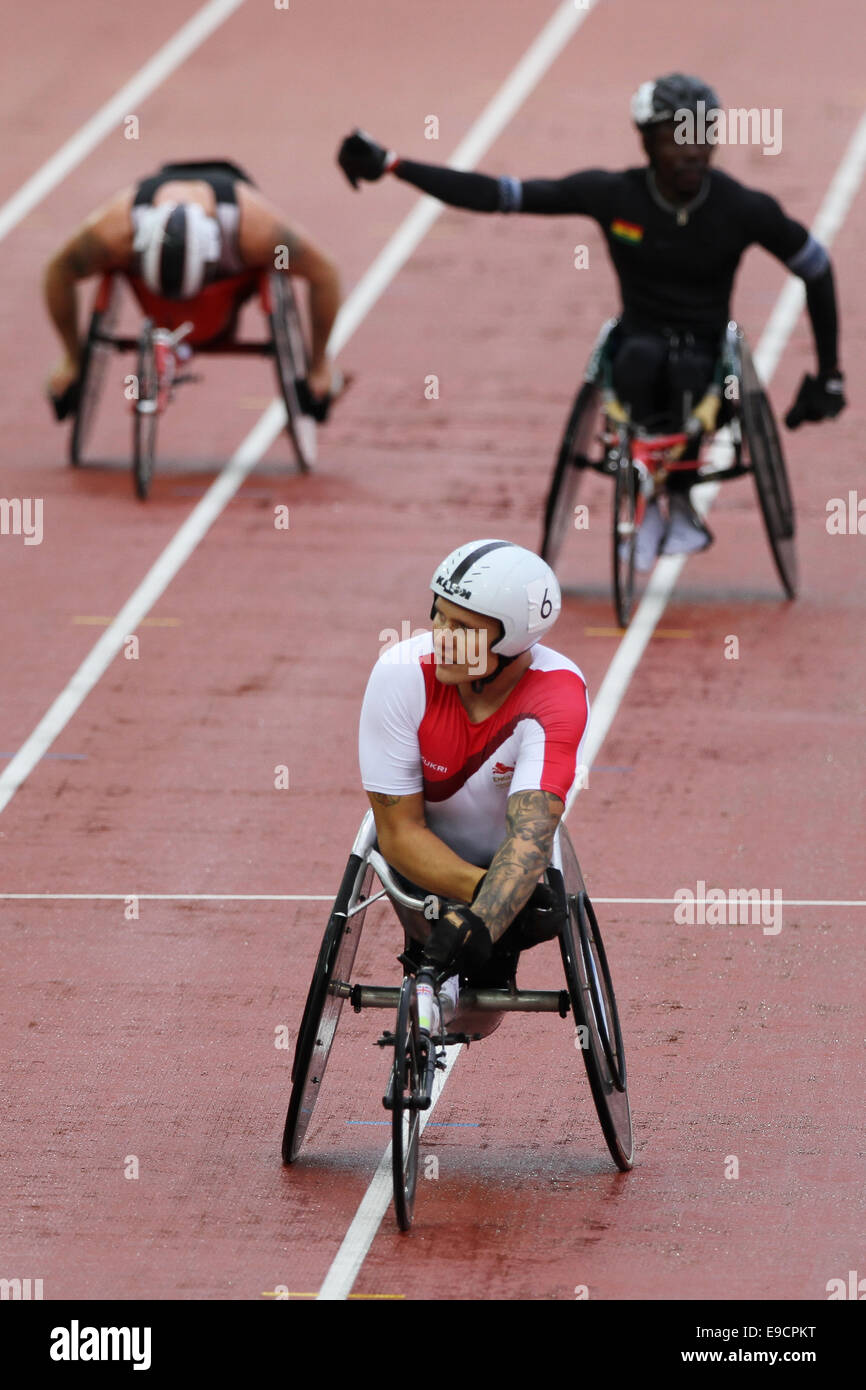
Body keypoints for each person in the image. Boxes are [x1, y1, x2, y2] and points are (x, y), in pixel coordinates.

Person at [338, 76, 846, 569]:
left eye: (704, 134)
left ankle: (678, 493)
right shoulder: (612, 196)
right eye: (676, 135)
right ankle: (645, 486)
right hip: (637, 343)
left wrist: (829, 373)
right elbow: (497, 195)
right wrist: (393, 164)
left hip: (710, 357)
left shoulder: (743, 208)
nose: (693, 150)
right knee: (640, 360)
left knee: (689, 368)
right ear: (646, 141)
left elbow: (816, 268)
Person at [359, 538, 589, 1011]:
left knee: (485, 975)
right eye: (438, 615)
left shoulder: (558, 693)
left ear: (511, 641)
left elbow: (530, 837)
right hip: (419, 866)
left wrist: (491, 911)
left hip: (509, 869)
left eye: (461, 627)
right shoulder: (399, 673)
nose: (440, 635)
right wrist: (483, 895)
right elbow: (399, 833)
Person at [44, 158, 344, 422]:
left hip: (231, 225)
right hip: (155, 221)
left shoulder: (256, 232)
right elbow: (58, 271)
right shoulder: (115, 234)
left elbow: (324, 273)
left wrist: (318, 365)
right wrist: (72, 357)